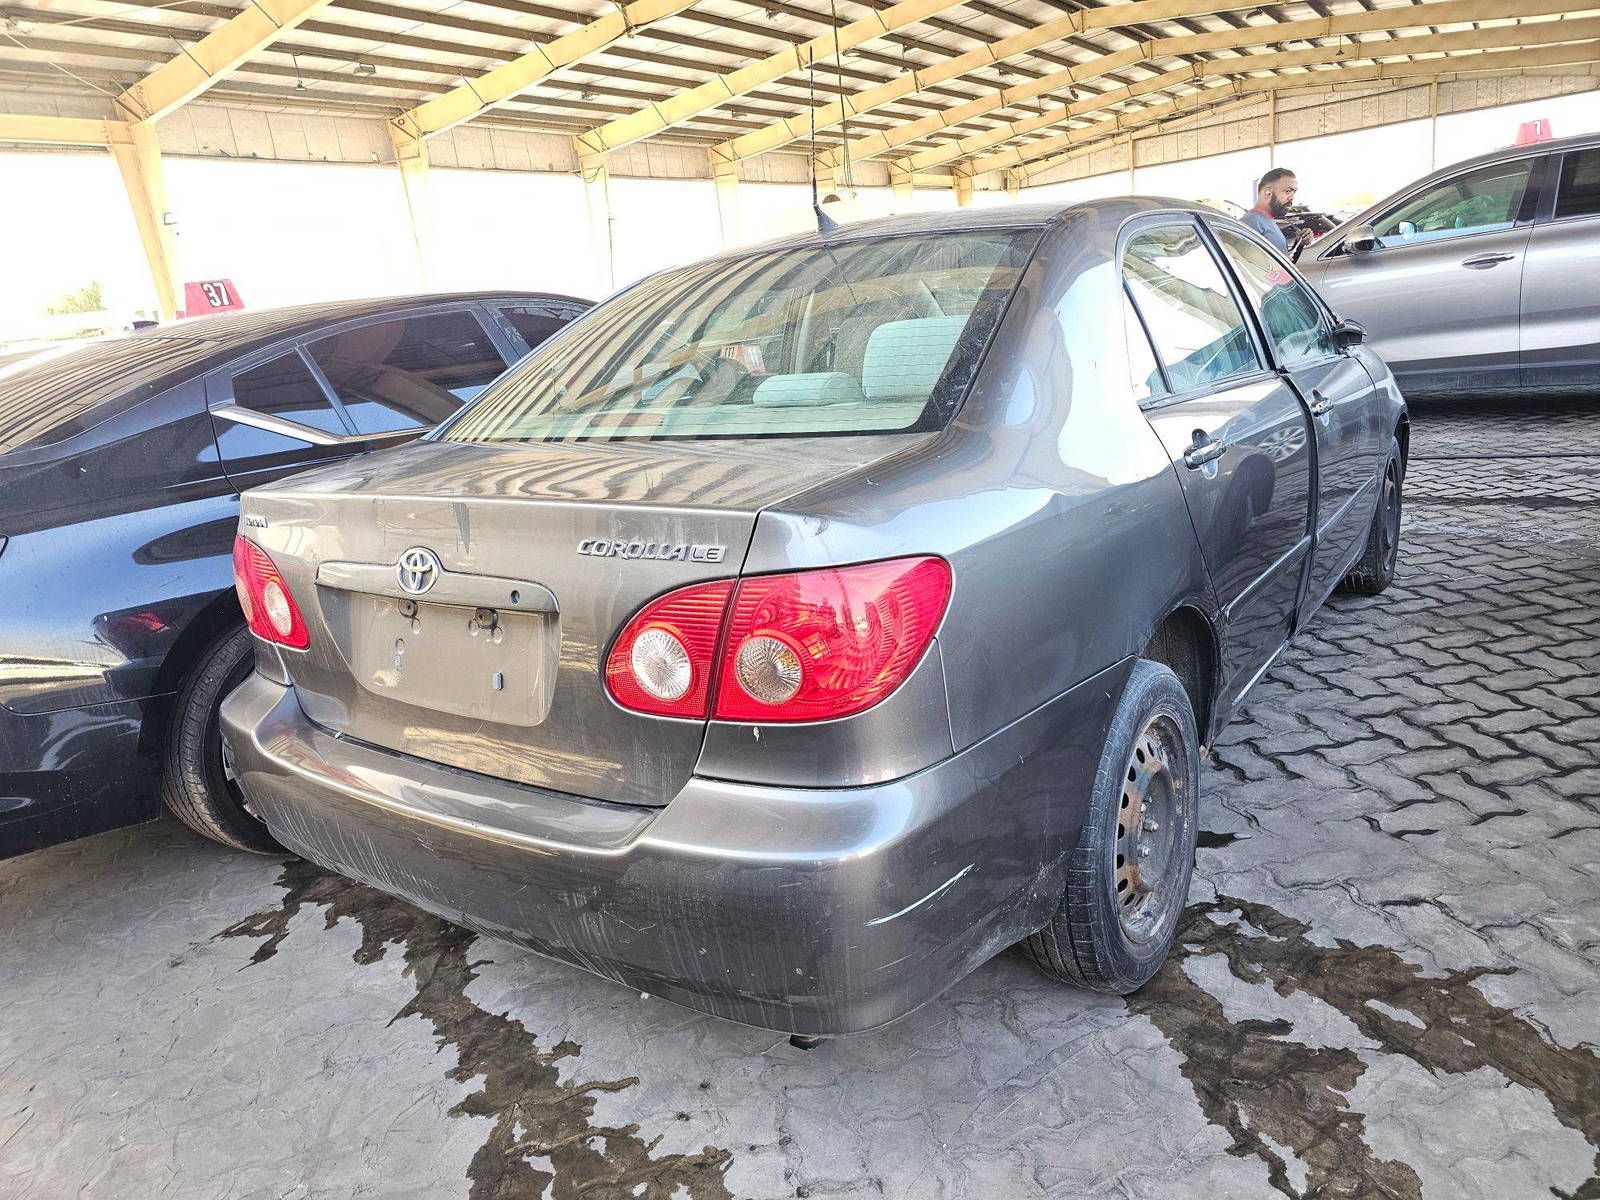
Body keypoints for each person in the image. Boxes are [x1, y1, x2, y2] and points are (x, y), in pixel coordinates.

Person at [1243, 167, 1308, 254]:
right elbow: (1243, 265)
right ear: (1267, 193)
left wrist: (1299, 243)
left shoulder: (1268, 221)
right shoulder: (1251, 222)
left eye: (1293, 192)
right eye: (1287, 191)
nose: (1292, 197)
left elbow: (1284, 264)